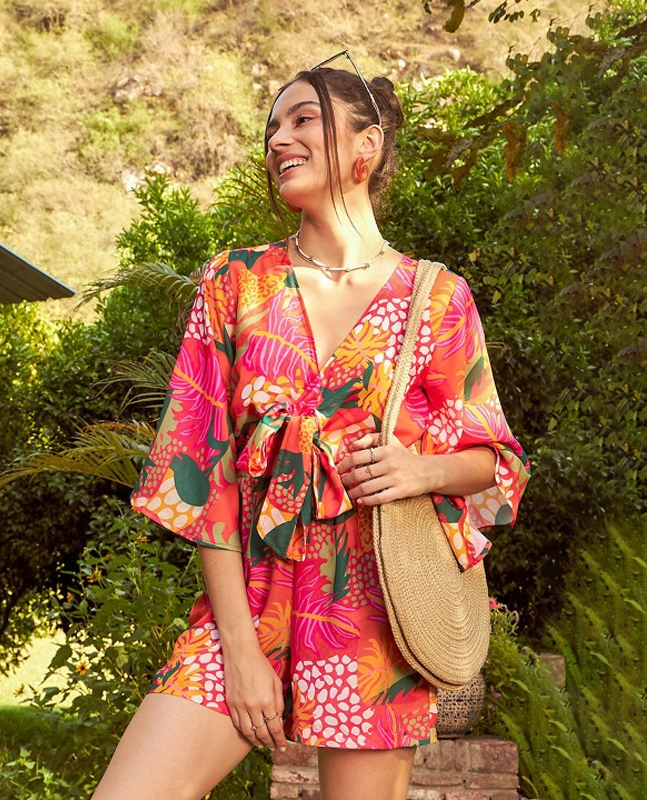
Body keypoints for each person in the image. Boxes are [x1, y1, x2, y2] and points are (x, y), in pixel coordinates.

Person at [92, 51, 530, 800]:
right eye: (272, 128)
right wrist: (239, 649)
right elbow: (202, 472)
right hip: (249, 602)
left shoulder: (436, 298)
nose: (278, 140)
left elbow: (497, 461)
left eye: (302, 119)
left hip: (374, 612)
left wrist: (421, 469)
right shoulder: (236, 282)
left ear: (367, 145)